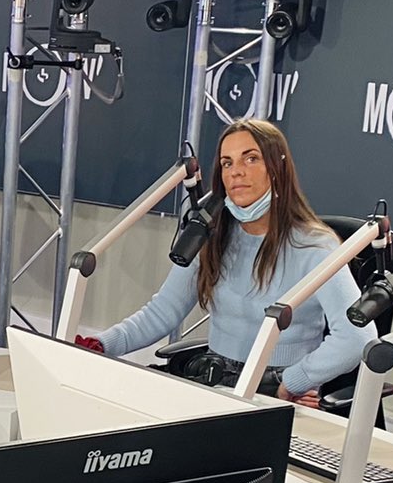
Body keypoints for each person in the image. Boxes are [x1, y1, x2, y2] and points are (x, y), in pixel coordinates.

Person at [78, 119, 373, 403]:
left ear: (278, 168)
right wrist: (101, 345)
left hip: (275, 386)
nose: (236, 172)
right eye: (227, 163)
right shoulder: (210, 235)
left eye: (251, 159)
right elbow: (162, 312)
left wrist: (294, 381)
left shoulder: (315, 246)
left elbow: (356, 338)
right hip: (213, 378)